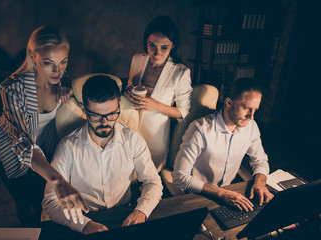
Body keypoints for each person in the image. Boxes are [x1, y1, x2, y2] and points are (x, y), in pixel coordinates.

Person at [0, 26, 88, 226]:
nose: (58, 70)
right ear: (33, 55)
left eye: (63, 62)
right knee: (22, 204)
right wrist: (58, 180)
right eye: (48, 63)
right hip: (5, 150)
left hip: (44, 153)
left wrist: (70, 97)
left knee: (39, 203)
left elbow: (77, 110)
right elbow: (23, 141)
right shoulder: (11, 88)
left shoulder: (62, 81)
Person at [42, 75, 163, 234]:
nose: (105, 123)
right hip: (83, 220)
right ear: (83, 108)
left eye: (112, 114)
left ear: (119, 105)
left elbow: (153, 182)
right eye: (96, 115)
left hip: (123, 217)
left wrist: (141, 211)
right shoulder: (67, 147)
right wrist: (84, 224)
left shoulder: (133, 139)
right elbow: (51, 201)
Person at [172, 78, 274, 212]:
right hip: (199, 194)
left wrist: (260, 182)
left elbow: (260, 160)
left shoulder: (251, 127)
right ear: (229, 102)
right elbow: (180, 177)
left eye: (255, 110)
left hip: (229, 193)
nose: (251, 116)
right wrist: (220, 193)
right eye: (246, 108)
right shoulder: (199, 129)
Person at [123, 15, 192, 172]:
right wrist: (128, 91)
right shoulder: (137, 59)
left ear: (173, 46)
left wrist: (155, 105)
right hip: (129, 129)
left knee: (149, 180)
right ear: (146, 41)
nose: (156, 52)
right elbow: (129, 86)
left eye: (164, 47)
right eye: (152, 45)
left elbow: (183, 113)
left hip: (155, 138)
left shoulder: (180, 72)